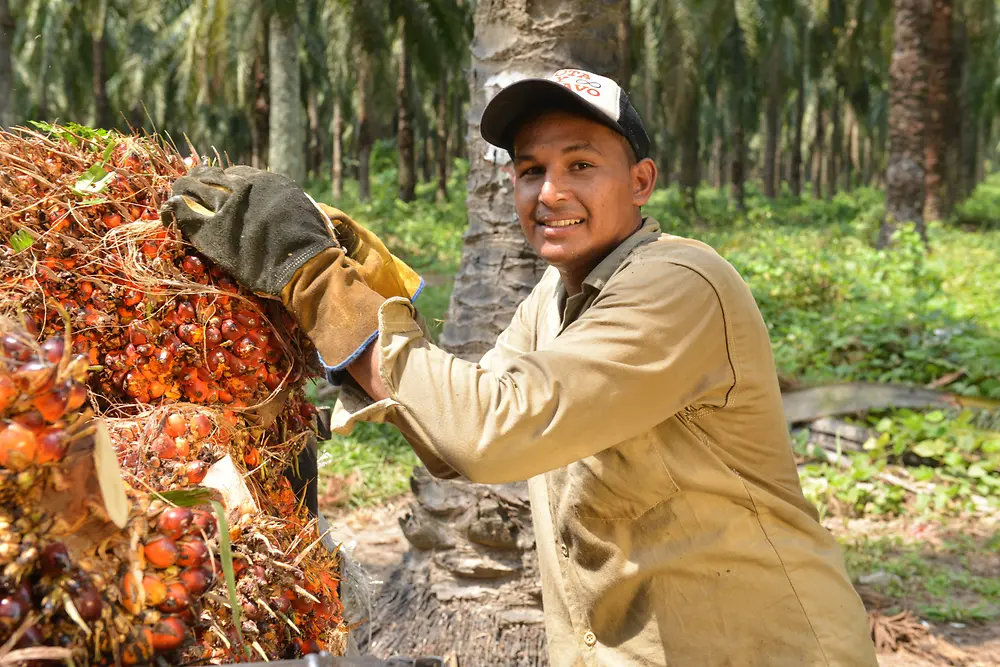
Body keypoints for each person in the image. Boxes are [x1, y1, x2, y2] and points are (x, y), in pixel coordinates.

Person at [163, 68, 878, 667]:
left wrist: (317, 279)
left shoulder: (680, 285)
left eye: (581, 165)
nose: (551, 193)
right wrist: (343, 304)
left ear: (642, 180)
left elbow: (488, 433)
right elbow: (455, 426)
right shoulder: (552, 299)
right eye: (531, 170)